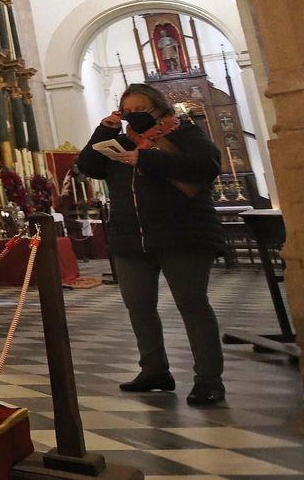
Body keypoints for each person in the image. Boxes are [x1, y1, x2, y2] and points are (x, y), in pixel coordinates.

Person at [75, 83, 225, 405]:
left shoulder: (183, 133)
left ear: (159, 109)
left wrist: (145, 159)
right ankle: (154, 370)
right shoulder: (117, 142)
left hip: (182, 235)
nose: (134, 116)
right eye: (128, 111)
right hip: (131, 239)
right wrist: (102, 130)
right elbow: (88, 165)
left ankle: (209, 379)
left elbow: (206, 166)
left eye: (141, 110)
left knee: (192, 305)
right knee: (139, 307)